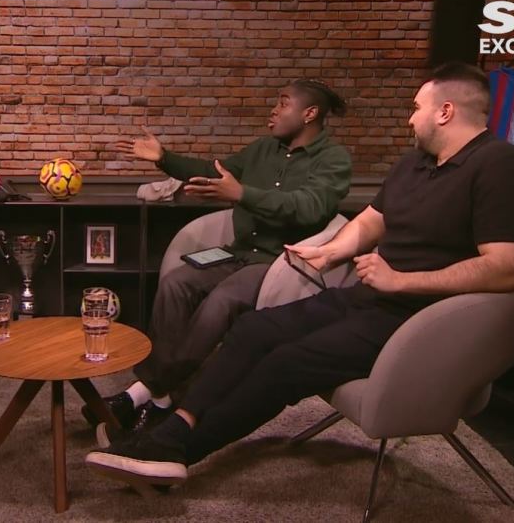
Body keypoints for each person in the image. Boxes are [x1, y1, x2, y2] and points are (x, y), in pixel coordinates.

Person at [84, 62, 514, 489]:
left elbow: (506, 269)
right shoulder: (416, 164)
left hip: (419, 319)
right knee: (253, 329)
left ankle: (179, 451)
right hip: (371, 297)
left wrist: (401, 281)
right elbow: (370, 220)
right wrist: (330, 253)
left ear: (445, 111)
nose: (410, 119)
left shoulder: (503, 168)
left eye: (416, 108)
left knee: (287, 363)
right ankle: (174, 426)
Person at [82, 79, 353, 439]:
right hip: (237, 252)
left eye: (283, 103)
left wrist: (242, 193)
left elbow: (308, 207)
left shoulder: (333, 159)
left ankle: (143, 393)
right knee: (176, 283)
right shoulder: (262, 149)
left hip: (279, 264)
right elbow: (214, 170)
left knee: (221, 301)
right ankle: (162, 399)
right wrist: (165, 159)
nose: (273, 110)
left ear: (310, 113)